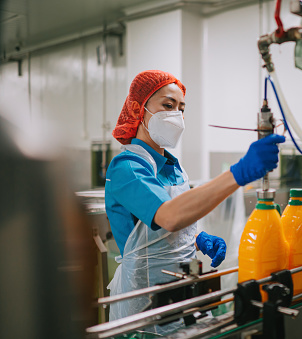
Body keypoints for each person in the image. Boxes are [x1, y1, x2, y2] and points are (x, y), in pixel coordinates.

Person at [105, 70, 285, 334]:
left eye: (181, 108)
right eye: (168, 106)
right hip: (145, 303)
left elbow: (168, 224)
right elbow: (167, 215)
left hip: (179, 293)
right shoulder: (127, 167)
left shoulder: (173, 167)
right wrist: (239, 173)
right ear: (138, 109)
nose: (177, 115)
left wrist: (197, 237)